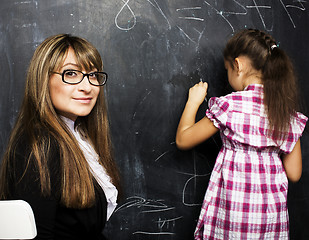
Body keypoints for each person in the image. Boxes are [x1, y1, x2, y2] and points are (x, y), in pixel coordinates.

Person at [176, 29, 307, 239]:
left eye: (227, 69)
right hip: (270, 224)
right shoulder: (286, 114)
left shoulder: (230, 106)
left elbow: (183, 139)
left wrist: (193, 101)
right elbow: (294, 173)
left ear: (238, 65)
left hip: (232, 219)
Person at [0, 34, 121, 239]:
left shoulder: (79, 136)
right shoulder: (42, 145)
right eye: (71, 73)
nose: (87, 87)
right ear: (43, 80)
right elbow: (36, 235)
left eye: (93, 75)